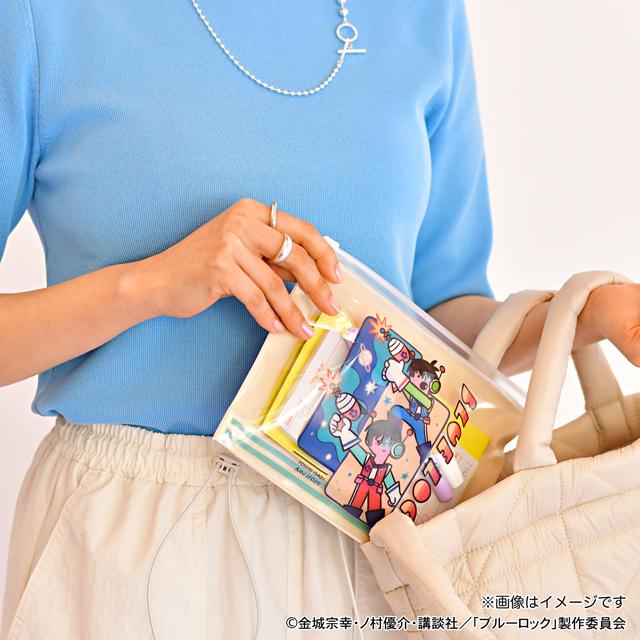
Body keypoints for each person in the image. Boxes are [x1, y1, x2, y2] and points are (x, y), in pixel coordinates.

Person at [1, 1, 638, 638]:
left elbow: (444, 317)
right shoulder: (42, 15)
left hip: (375, 540)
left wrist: (586, 316)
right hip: (129, 544)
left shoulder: (422, 13)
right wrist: (151, 284)